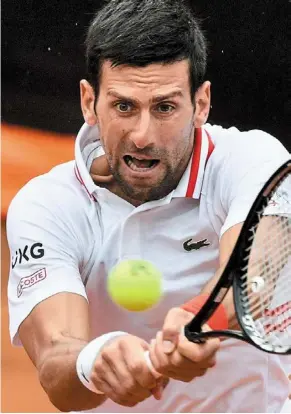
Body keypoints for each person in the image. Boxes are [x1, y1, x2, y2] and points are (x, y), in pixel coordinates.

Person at [7, 0, 290, 412]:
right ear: (89, 102)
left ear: (202, 103)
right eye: (124, 106)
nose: (143, 135)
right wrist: (94, 362)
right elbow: (56, 364)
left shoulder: (252, 160)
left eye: (165, 107)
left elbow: (256, 270)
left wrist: (202, 317)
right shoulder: (46, 205)